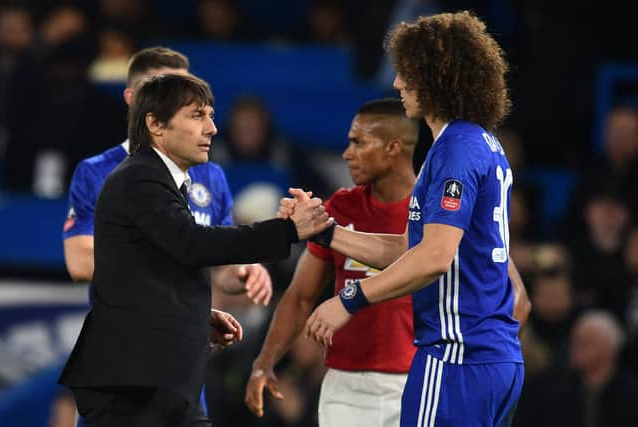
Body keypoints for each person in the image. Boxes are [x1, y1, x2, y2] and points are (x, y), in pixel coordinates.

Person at [293, 11, 527, 426]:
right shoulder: (478, 143)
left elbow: (435, 257)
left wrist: (350, 299)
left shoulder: (455, 149)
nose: (398, 82)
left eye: (407, 72)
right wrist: (328, 234)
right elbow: (409, 248)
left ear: (438, 75)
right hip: (491, 359)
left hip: (457, 357)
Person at [58, 73, 332, 427]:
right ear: (156, 125)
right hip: (132, 382)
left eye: (211, 116)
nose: (213, 129)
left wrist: (195, 314)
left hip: (158, 380)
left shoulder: (162, 182)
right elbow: (192, 244)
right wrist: (288, 230)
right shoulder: (141, 179)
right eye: (197, 115)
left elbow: (148, 273)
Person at [245, 98, 420, 427]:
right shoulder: (341, 207)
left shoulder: (436, 210)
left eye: (358, 142)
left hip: (416, 380)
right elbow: (300, 297)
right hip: (344, 384)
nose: (346, 153)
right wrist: (265, 362)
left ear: (393, 148)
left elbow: (405, 252)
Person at [63, 46, 274, 307]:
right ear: (134, 99)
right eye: (164, 91)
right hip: (125, 334)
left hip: (186, 336)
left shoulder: (211, 175)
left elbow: (222, 270)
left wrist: (243, 272)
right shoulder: (97, 172)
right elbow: (81, 263)